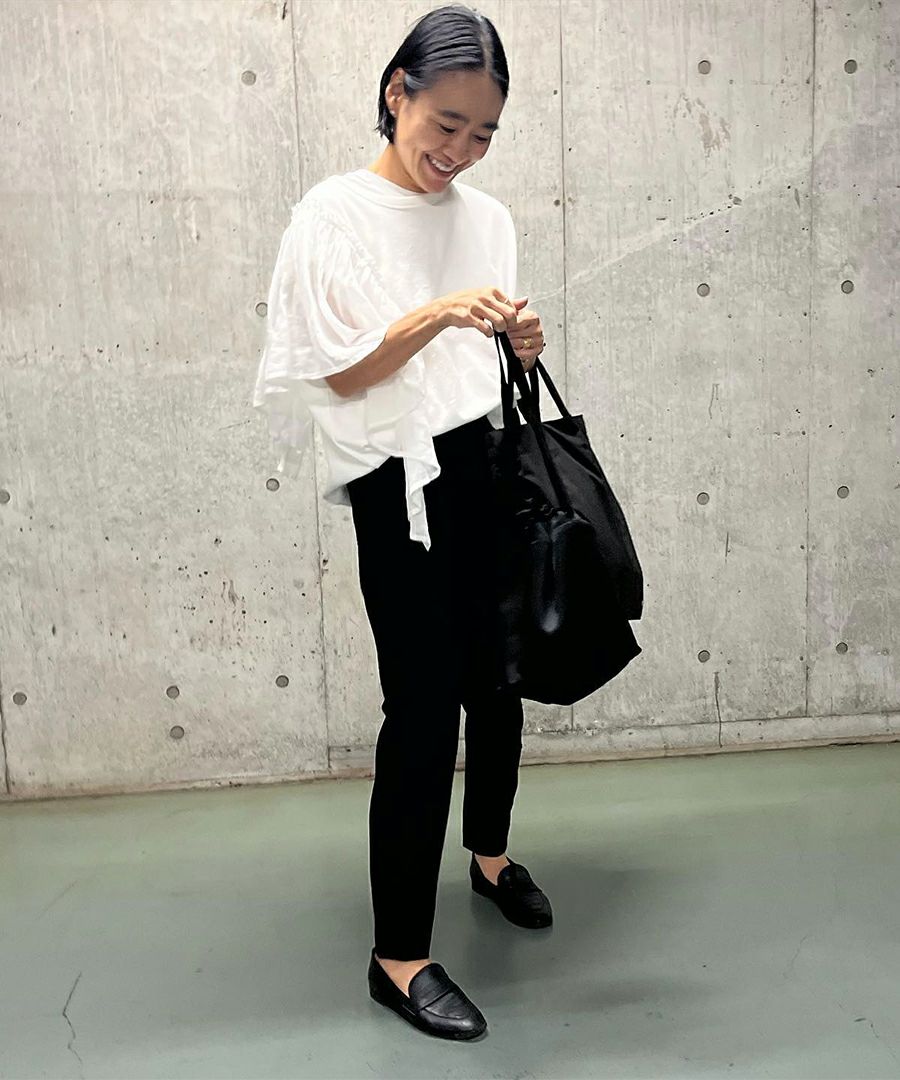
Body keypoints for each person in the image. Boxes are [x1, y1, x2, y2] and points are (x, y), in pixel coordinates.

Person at [252, 4, 552, 1042]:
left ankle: (491, 856)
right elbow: (341, 373)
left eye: (484, 133)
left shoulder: (489, 217)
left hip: (481, 460)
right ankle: (400, 957)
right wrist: (437, 312)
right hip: (395, 482)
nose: (460, 150)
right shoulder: (331, 215)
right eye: (447, 123)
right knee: (423, 709)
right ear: (397, 93)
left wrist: (518, 339)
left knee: (500, 677)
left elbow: (481, 354)